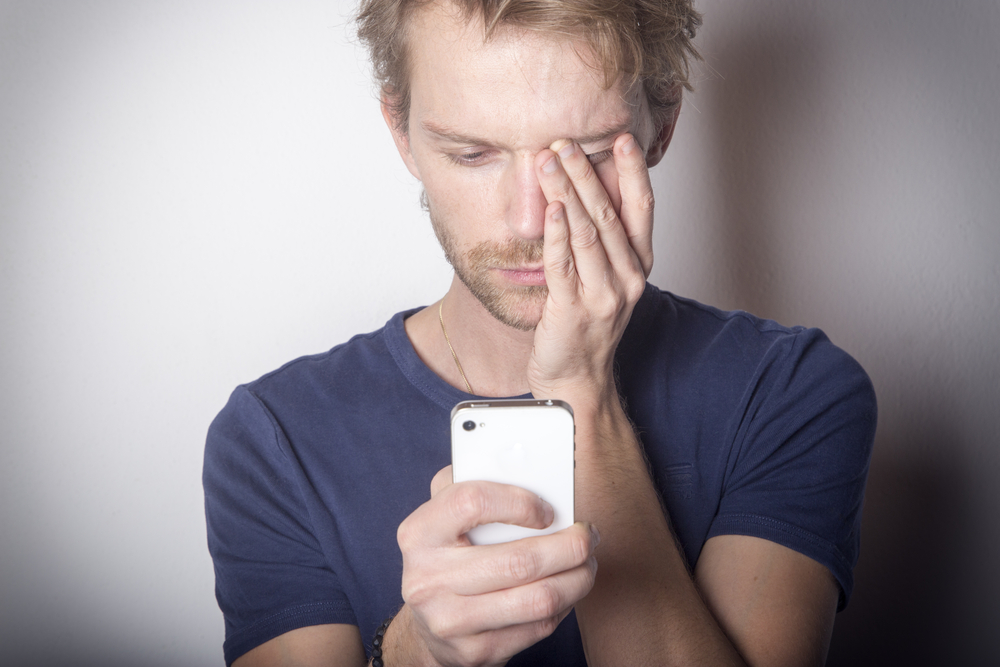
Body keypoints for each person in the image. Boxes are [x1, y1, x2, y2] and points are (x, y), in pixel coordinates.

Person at [203, 0, 877, 665]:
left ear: (663, 124)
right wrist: (419, 651)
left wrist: (579, 390)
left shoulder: (791, 391)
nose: (529, 221)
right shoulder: (274, 438)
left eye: (583, 155)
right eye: (472, 153)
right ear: (401, 132)